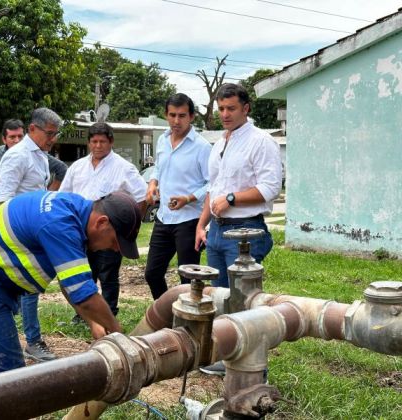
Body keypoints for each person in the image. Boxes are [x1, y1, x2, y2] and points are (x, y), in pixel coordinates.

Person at [0, 190, 141, 380]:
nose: (115, 249)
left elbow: (69, 283)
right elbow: (84, 296)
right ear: (102, 222)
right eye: (115, 241)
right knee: (7, 381)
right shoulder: (61, 225)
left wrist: (94, 323)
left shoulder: (73, 212)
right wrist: (117, 332)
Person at [195, 84, 282, 376]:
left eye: (231, 108)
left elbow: (271, 188)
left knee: (243, 301)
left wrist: (232, 199)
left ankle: (255, 370)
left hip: (245, 231)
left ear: (246, 108)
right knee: (220, 298)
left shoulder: (261, 142)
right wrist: (201, 224)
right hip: (217, 231)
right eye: (221, 109)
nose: (225, 114)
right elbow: (213, 188)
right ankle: (228, 356)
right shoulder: (219, 144)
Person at [0, 108, 64, 363]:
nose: (52, 139)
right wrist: (14, 238)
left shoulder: (41, 156)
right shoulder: (18, 156)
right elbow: (3, 201)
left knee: (26, 286)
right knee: (28, 286)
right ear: (32, 129)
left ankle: (20, 337)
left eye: (55, 134)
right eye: (49, 133)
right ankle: (32, 341)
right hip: (18, 232)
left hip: (33, 230)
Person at [59, 122, 146, 320]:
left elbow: (142, 198)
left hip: (109, 231)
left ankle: (109, 312)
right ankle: (84, 314)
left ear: (111, 142)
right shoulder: (78, 167)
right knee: (83, 273)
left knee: (108, 275)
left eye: (102, 142)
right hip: (81, 230)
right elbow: (64, 196)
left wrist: (129, 227)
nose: (98, 146)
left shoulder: (124, 168)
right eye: (94, 141)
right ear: (89, 143)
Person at [144, 93, 211, 299]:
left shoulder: (202, 147)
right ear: (166, 115)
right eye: (172, 115)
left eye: (182, 115)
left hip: (189, 221)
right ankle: (166, 315)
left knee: (188, 278)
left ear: (191, 117)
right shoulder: (162, 141)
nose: (176, 121)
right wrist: (153, 183)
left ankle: (190, 321)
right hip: (164, 218)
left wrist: (189, 198)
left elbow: (212, 184)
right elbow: (158, 168)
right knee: (152, 274)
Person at [0, 119, 67, 202]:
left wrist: (48, 197)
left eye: (20, 136)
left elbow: (62, 169)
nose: (17, 140)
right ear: (4, 139)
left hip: (30, 207)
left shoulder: (37, 154)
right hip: (6, 204)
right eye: (12, 137)